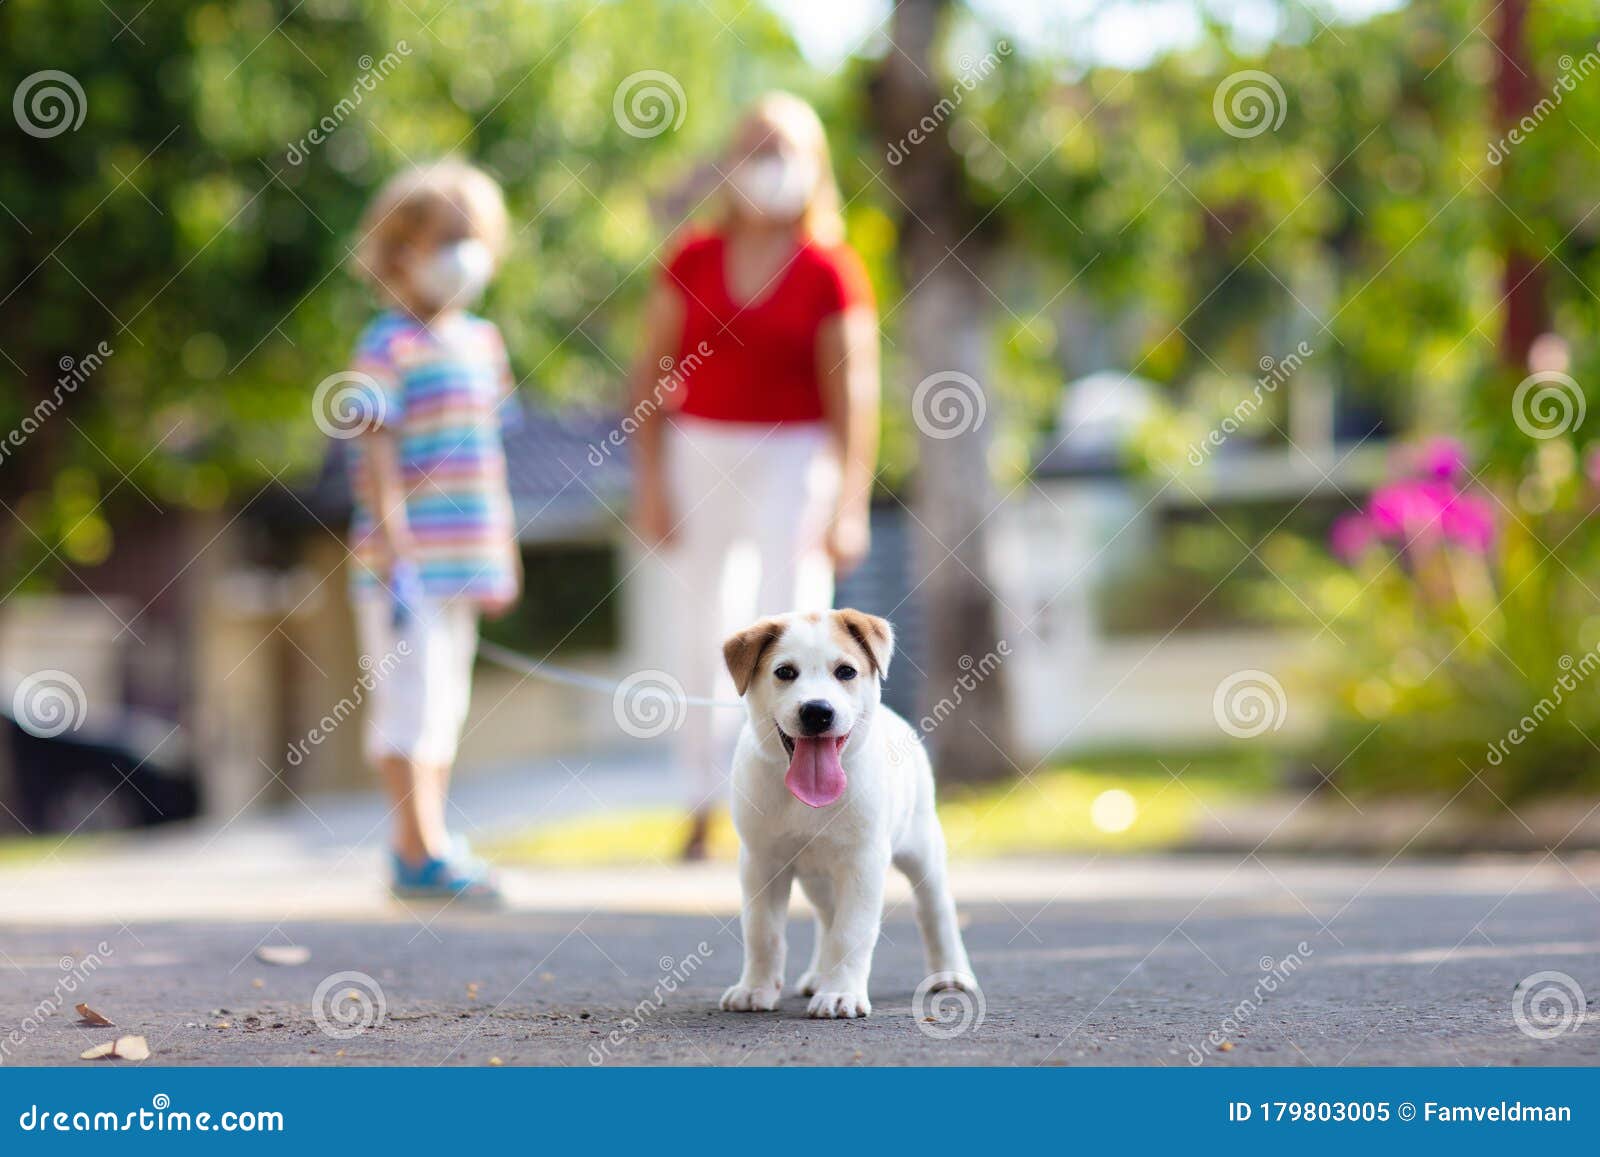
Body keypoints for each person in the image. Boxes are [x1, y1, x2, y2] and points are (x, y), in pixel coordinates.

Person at [628, 93, 882, 859]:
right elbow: (649, 374)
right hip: (698, 447)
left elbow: (854, 395)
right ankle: (702, 803)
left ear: (815, 168)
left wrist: (851, 500)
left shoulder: (831, 270)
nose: (769, 167)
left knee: (792, 625)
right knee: (698, 628)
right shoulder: (692, 257)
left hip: (797, 456)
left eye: (786, 151)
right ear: (730, 163)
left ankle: (796, 800)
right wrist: (650, 481)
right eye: (757, 148)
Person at [341, 160, 521, 900]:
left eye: (473, 237)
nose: (462, 252)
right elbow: (373, 448)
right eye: (445, 237)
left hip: (466, 562)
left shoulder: (484, 344)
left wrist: (501, 552)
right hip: (404, 569)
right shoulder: (386, 346)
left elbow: (491, 456)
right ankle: (418, 847)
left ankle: (425, 841)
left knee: (444, 708)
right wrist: (394, 540)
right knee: (408, 705)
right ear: (400, 252)